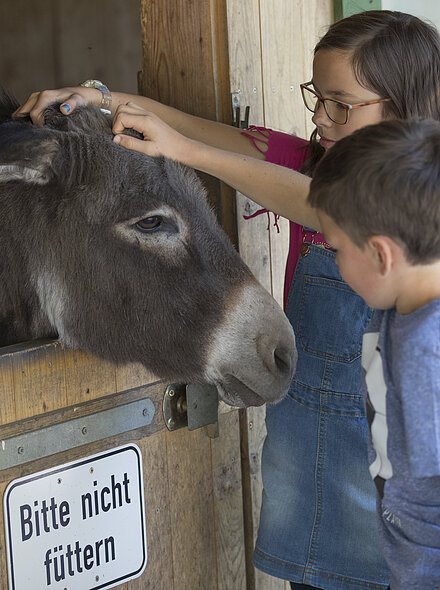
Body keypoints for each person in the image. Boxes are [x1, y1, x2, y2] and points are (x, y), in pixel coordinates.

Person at [14, 10, 440, 590]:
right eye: (317, 96)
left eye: (341, 104)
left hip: (393, 512)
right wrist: (96, 99)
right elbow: (184, 123)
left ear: (402, 105)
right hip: (315, 475)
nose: (320, 117)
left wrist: (188, 153)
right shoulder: (303, 159)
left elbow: (329, 204)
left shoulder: (408, 206)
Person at [307, 117, 440, 590]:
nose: (334, 259)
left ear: (382, 256)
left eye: (337, 248)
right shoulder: (397, 309)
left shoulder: (427, 350)